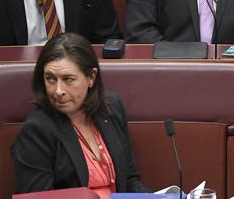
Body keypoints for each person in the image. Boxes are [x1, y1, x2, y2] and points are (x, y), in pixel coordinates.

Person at [11, 33, 149, 196]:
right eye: (50, 79)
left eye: (68, 79)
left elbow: (130, 180)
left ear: (91, 77)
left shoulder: (111, 108)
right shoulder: (37, 131)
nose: (58, 91)